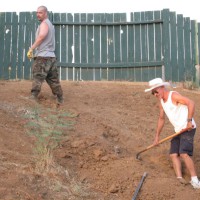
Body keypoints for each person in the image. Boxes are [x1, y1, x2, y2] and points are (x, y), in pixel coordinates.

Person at [145, 77, 200, 189]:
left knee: (184, 153)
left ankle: (195, 180)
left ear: (162, 87)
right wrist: (157, 137)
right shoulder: (161, 102)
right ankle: (179, 179)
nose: (155, 94)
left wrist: (189, 120)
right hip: (178, 130)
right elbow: (161, 119)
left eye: (156, 91)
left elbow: (191, 103)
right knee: (173, 154)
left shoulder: (173, 96)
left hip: (188, 128)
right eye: (152, 93)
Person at [27, 6, 63, 104]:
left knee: (37, 77)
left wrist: (32, 48)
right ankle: (59, 98)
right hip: (51, 57)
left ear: (45, 13)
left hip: (43, 57)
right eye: (37, 12)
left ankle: (33, 97)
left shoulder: (44, 24)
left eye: (40, 12)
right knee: (53, 79)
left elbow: (42, 36)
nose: (38, 14)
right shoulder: (50, 24)